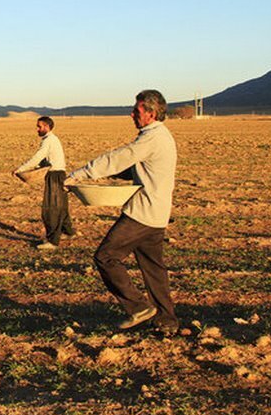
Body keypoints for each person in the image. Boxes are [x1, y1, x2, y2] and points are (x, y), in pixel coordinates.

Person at [65, 90, 179, 335]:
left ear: (150, 113)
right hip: (157, 213)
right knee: (153, 269)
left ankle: (139, 307)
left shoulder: (151, 139)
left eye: (136, 111)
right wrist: (109, 173)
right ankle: (167, 320)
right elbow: (132, 168)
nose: (132, 114)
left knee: (105, 257)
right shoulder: (160, 136)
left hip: (143, 213)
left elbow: (119, 158)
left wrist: (80, 175)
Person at [13, 116, 76, 250]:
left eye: (39, 126)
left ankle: (53, 241)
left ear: (47, 127)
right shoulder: (52, 139)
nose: (37, 129)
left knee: (50, 208)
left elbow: (37, 157)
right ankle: (68, 232)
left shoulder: (48, 140)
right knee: (61, 206)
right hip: (59, 174)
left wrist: (21, 169)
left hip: (54, 175)